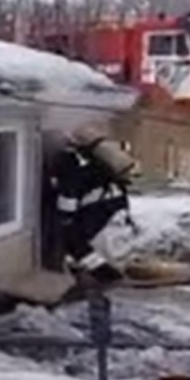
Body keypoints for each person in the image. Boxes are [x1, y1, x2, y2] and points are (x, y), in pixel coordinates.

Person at [49, 123, 137, 292]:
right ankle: (105, 274)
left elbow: (68, 196)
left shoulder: (72, 167)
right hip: (115, 214)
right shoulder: (103, 168)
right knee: (99, 251)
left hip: (98, 218)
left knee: (75, 242)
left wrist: (65, 218)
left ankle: (104, 279)